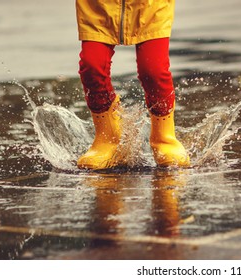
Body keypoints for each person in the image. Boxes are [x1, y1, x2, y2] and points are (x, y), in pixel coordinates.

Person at [74, 0, 190, 170]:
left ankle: (164, 138)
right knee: (92, 66)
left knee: (153, 70)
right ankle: (107, 138)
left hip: (150, 7)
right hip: (97, 6)